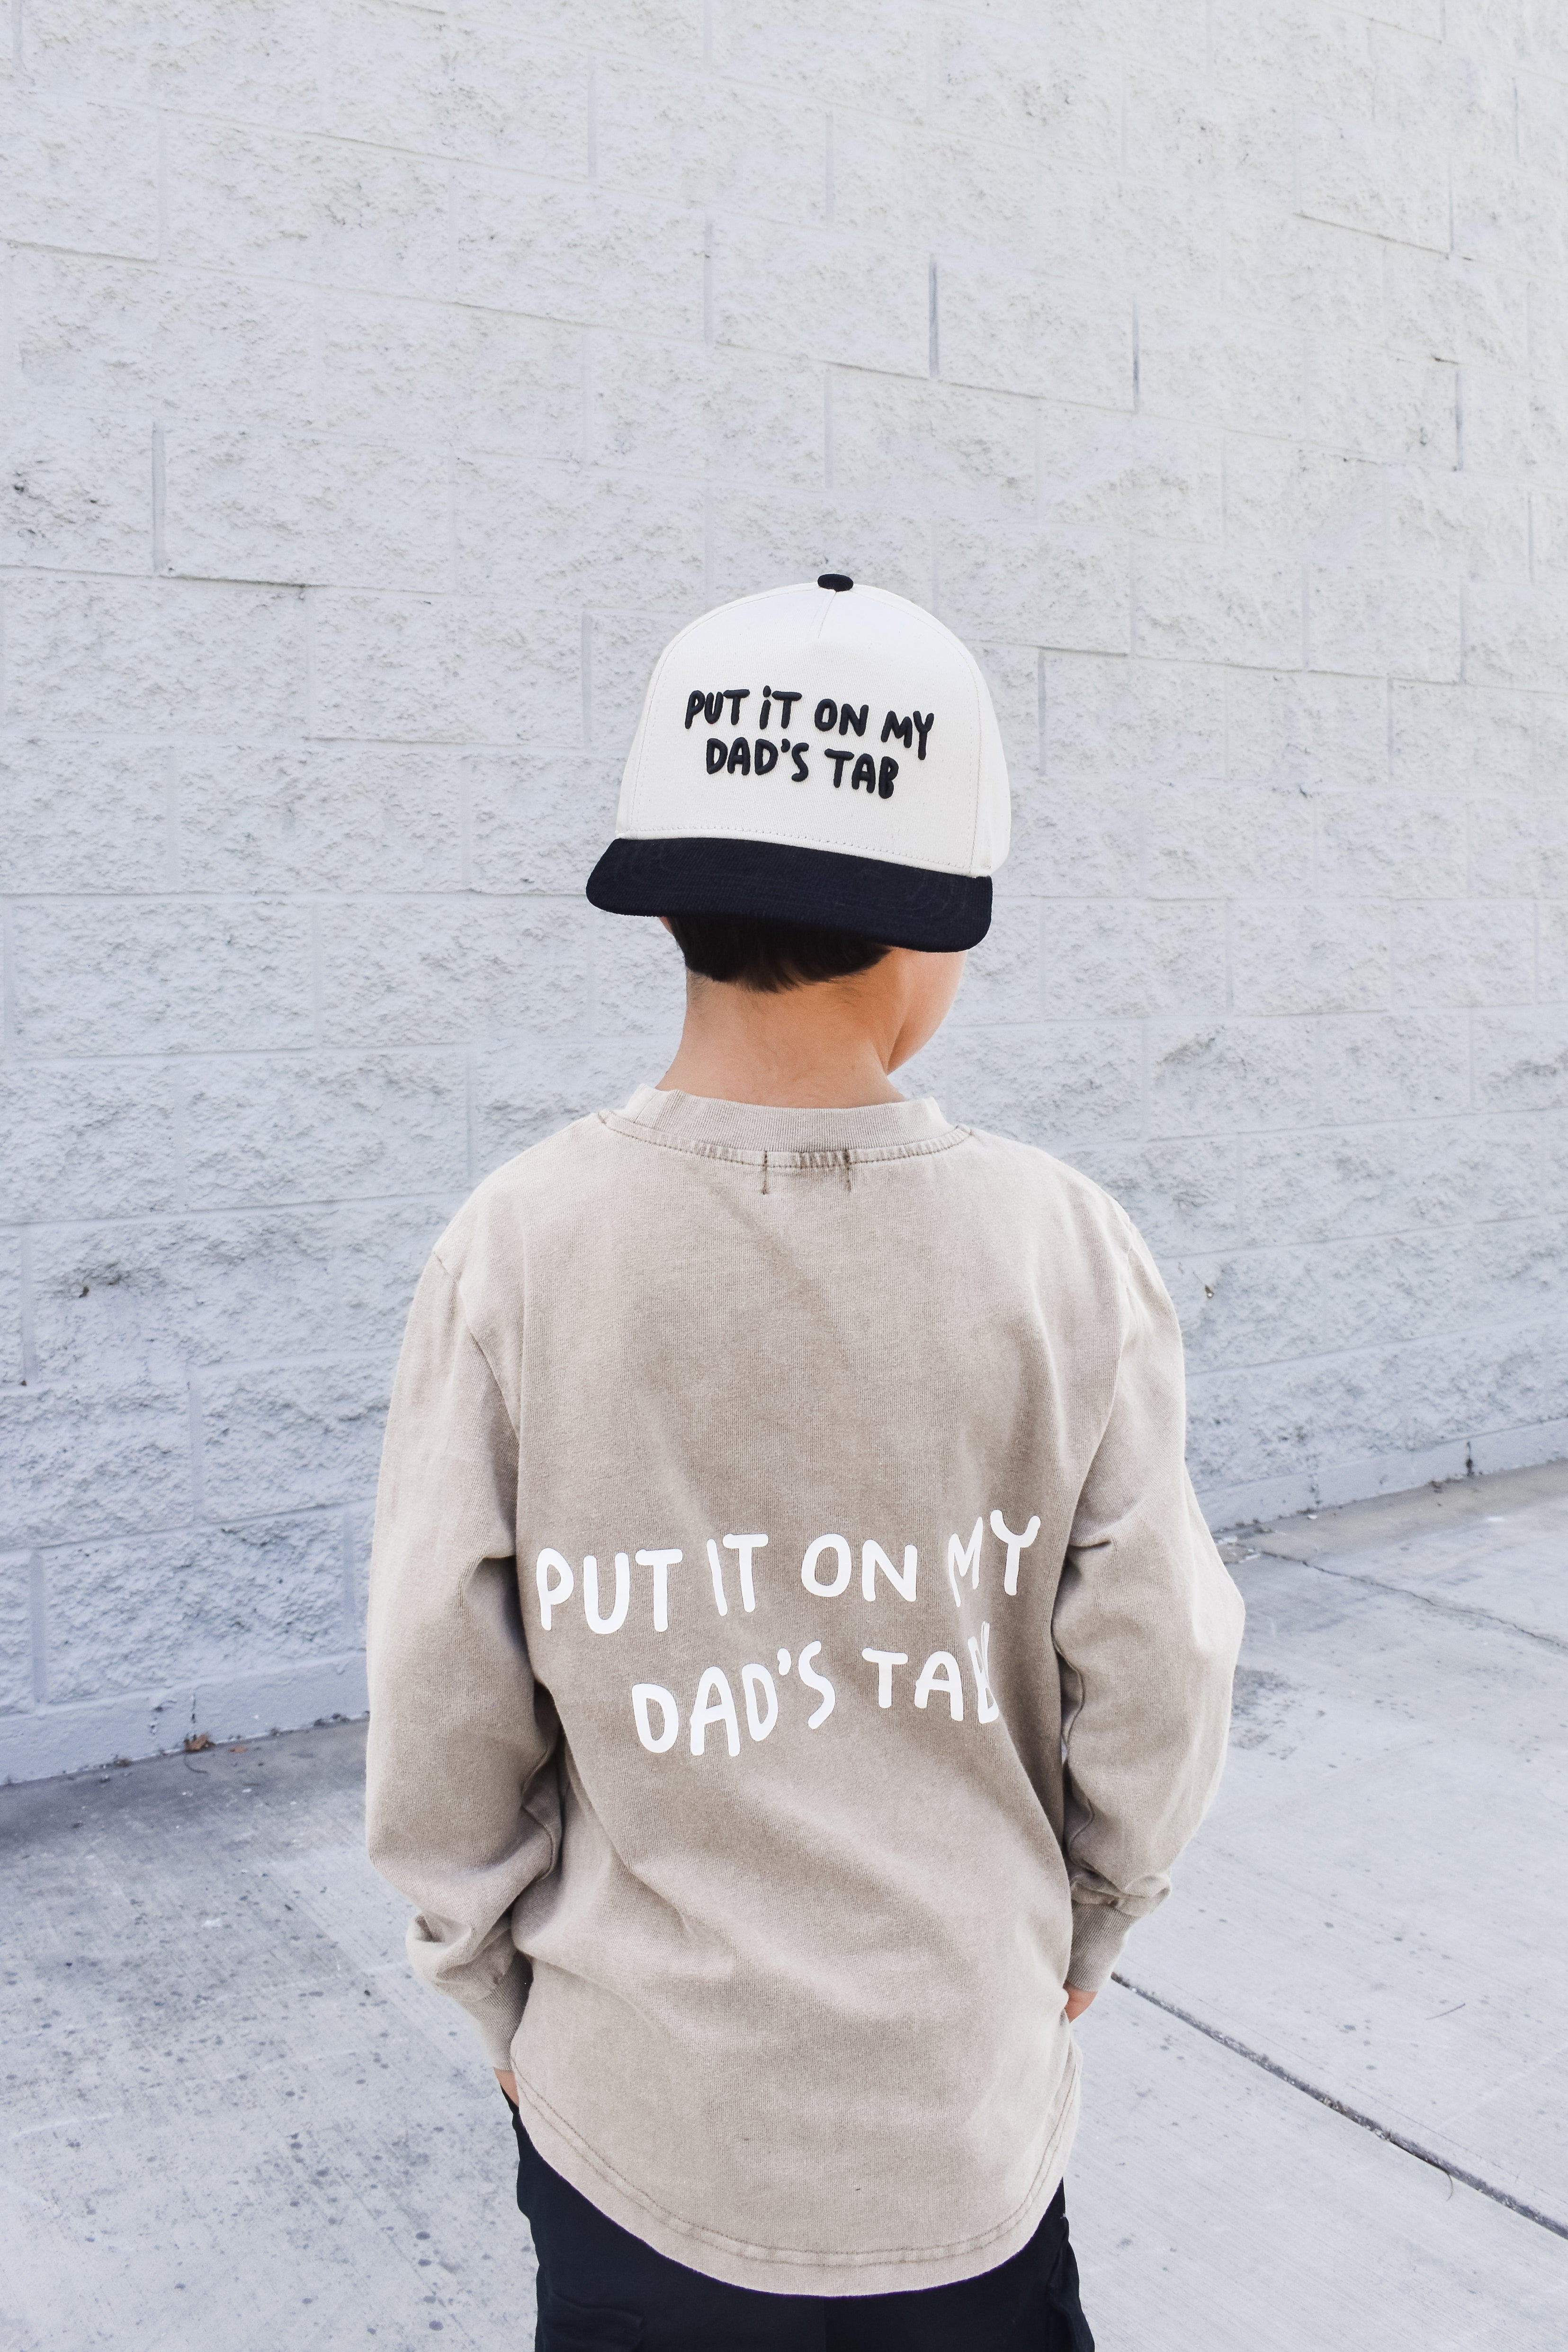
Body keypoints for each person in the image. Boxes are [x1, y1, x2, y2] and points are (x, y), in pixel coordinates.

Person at [366, 576, 1245, 2350]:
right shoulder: (1065, 1252)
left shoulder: (518, 1246)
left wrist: (493, 1993)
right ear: (932, 930)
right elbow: (1160, 1671)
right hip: (956, 2115)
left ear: (665, 889)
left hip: (641, 2118)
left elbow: (442, 1691)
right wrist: (1085, 1924)